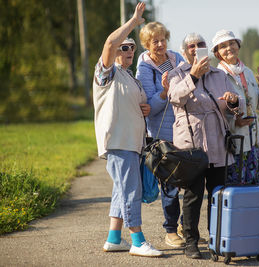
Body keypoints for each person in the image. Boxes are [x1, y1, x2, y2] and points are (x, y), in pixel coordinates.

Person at [92, 2, 162, 257]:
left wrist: (144, 109)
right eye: (125, 47)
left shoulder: (130, 76)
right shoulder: (106, 74)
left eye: (132, 47)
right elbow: (109, 44)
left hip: (133, 143)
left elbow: (138, 105)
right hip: (118, 142)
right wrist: (134, 22)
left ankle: (113, 238)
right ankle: (138, 240)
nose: (129, 49)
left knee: (121, 190)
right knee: (130, 190)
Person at [166, 33, 243, 259]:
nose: (196, 49)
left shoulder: (218, 74)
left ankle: (216, 238)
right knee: (192, 195)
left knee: (217, 194)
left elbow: (235, 104)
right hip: (191, 146)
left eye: (200, 45)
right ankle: (191, 242)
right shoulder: (176, 74)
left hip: (218, 141)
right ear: (184, 52)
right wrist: (192, 75)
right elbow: (175, 97)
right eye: (191, 46)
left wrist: (233, 101)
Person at [135, 21, 186, 248]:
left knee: (192, 181)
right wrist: (165, 93)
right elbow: (149, 107)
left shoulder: (177, 59)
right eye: (154, 41)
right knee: (170, 185)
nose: (160, 44)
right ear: (147, 44)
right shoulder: (144, 67)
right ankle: (171, 230)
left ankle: (187, 225)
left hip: (185, 130)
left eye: (163, 39)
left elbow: (191, 86)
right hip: (161, 134)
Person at [211, 29, 259, 184]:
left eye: (232, 43)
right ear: (218, 54)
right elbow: (215, 111)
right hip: (232, 143)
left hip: (253, 141)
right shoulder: (217, 75)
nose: (229, 48)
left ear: (238, 46)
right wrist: (234, 122)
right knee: (235, 186)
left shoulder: (248, 72)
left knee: (252, 185)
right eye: (223, 46)